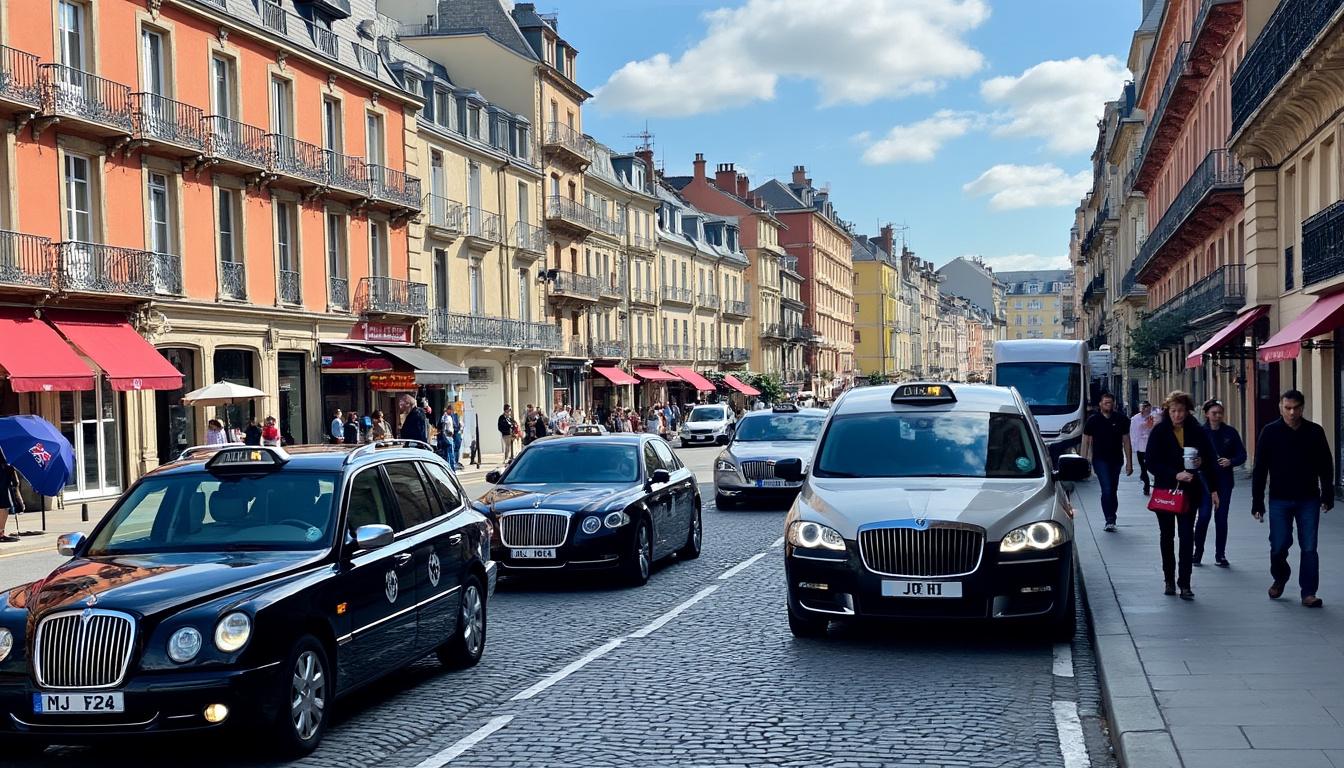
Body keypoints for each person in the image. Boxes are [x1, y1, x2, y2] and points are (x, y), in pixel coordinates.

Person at [1251, 389, 1333, 608]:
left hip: (1308, 498)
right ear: (1280, 407)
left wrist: (1327, 493)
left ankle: (1309, 592)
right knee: (1279, 545)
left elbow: (1326, 465)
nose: (1292, 412)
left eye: (1296, 408)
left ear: (1302, 408)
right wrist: (1257, 501)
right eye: (1287, 408)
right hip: (1279, 498)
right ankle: (1281, 575)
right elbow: (1260, 468)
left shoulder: (1314, 432)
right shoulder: (1270, 432)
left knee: (1309, 547)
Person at [1146, 391, 1219, 600]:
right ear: (1168, 411)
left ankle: (1185, 582)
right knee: (1167, 536)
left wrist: (1201, 464)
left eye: (1181, 411)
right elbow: (1151, 461)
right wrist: (1174, 473)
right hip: (1166, 491)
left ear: (1188, 411)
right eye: (1174, 411)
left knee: (1187, 537)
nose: (1177, 415)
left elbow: (1210, 458)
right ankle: (1169, 579)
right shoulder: (1160, 431)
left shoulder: (1197, 431)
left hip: (1190, 492)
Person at [1195, 398, 1246, 567]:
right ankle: (1198, 552)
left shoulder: (1230, 432)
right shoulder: (1200, 433)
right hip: (1204, 481)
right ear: (1207, 414)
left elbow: (1242, 455)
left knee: (1221, 517)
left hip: (1224, 480)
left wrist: (1230, 461)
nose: (1217, 416)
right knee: (1203, 516)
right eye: (1214, 413)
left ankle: (1220, 554)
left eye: (1220, 413)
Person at [1083, 392, 1132, 532]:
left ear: (1114, 404)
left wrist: (1129, 462)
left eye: (1110, 402)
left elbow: (1126, 441)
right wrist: (1084, 460)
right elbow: (1086, 440)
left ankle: (1112, 516)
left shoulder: (1121, 419)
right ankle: (1109, 519)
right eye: (1105, 402)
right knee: (1107, 488)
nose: (1108, 405)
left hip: (1116, 459)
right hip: (1099, 459)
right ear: (1100, 404)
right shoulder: (1093, 420)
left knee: (1113, 489)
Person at [1129, 401, 1160, 496]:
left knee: (1151, 466)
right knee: (1143, 467)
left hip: (1151, 447)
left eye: (1149, 409)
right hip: (1141, 446)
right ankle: (1146, 485)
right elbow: (1133, 432)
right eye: (1146, 409)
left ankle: (1151, 483)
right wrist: (1134, 446)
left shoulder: (1154, 417)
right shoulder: (1135, 419)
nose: (1148, 411)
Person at [0, 449, 23, 543]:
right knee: (4, 507)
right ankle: (0, 533)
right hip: (2, 478)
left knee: (4, 506)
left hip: (3, 477)